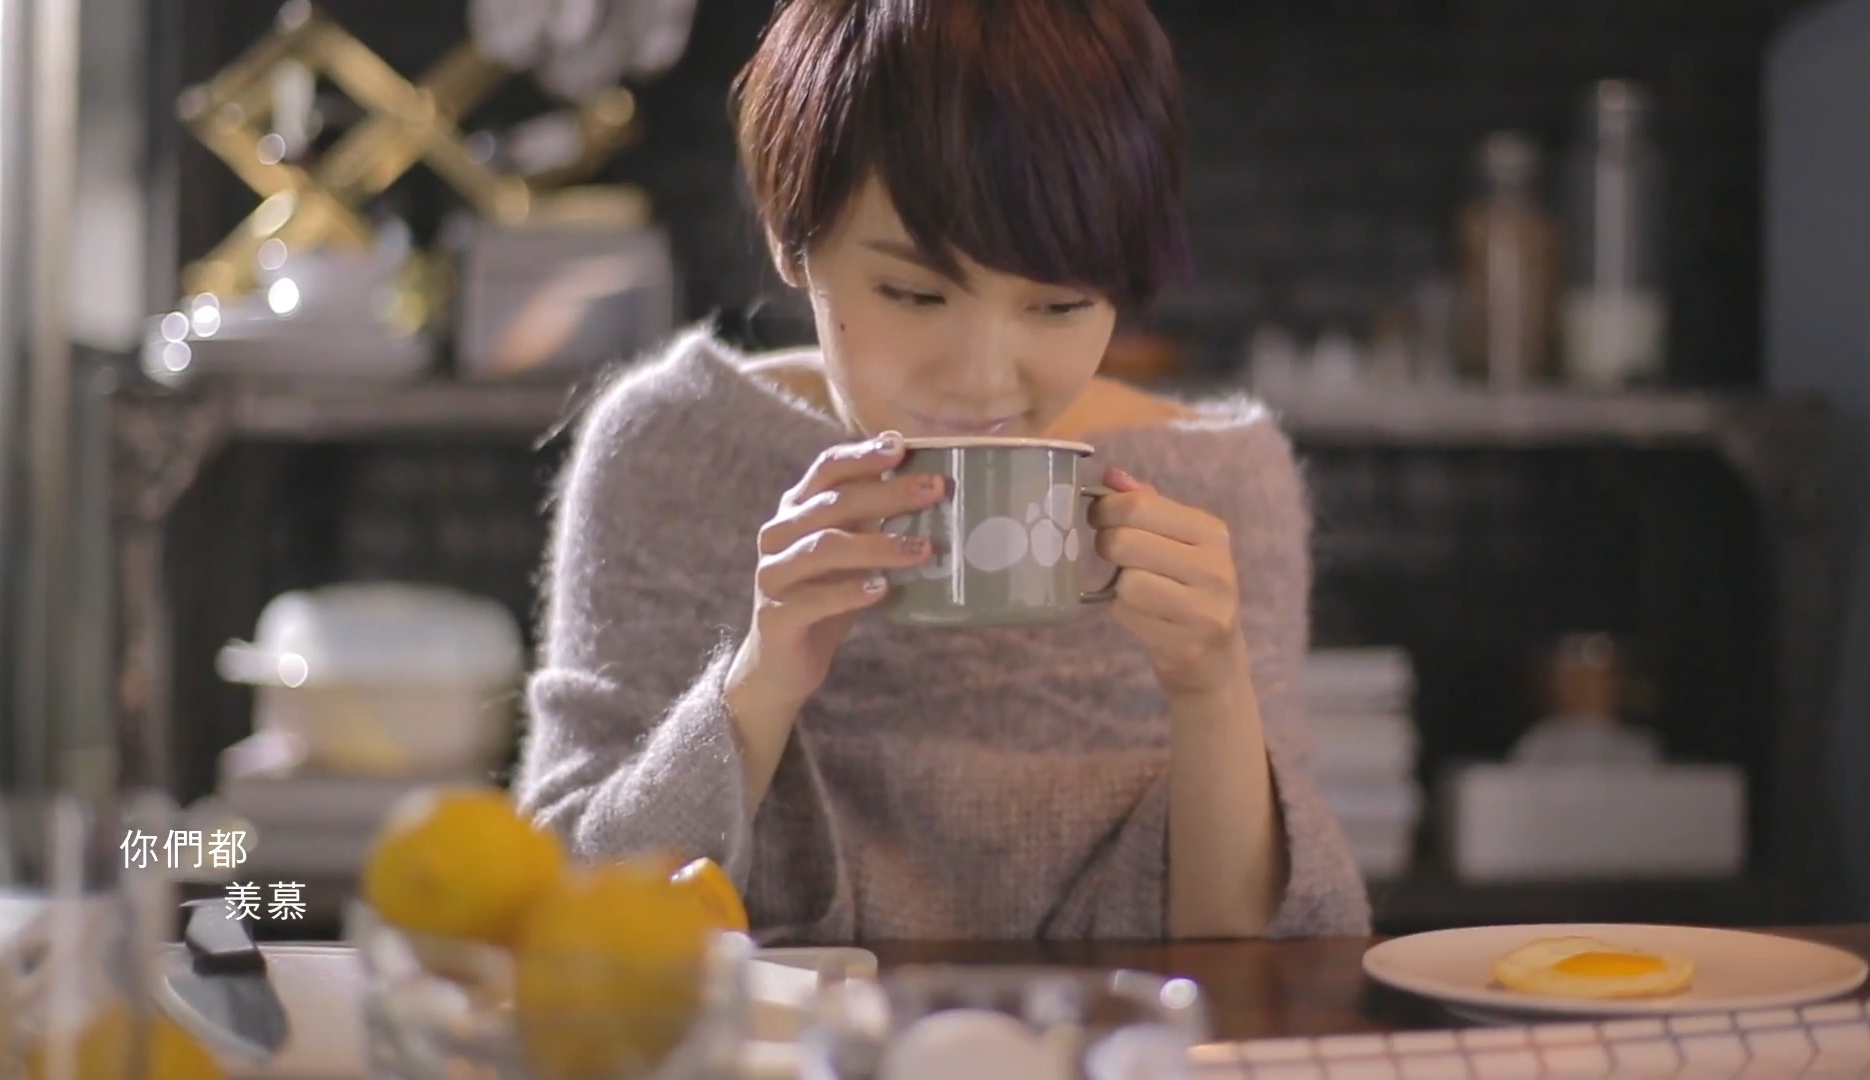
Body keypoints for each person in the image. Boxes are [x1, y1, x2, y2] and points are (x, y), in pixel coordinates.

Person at [514, 0, 1371, 942]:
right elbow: (553, 912)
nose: (982, 379)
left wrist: (1212, 688)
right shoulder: (674, 446)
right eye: (915, 293)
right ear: (791, 236)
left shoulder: (1225, 479)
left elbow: (1254, 965)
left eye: (1058, 306)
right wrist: (759, 683)